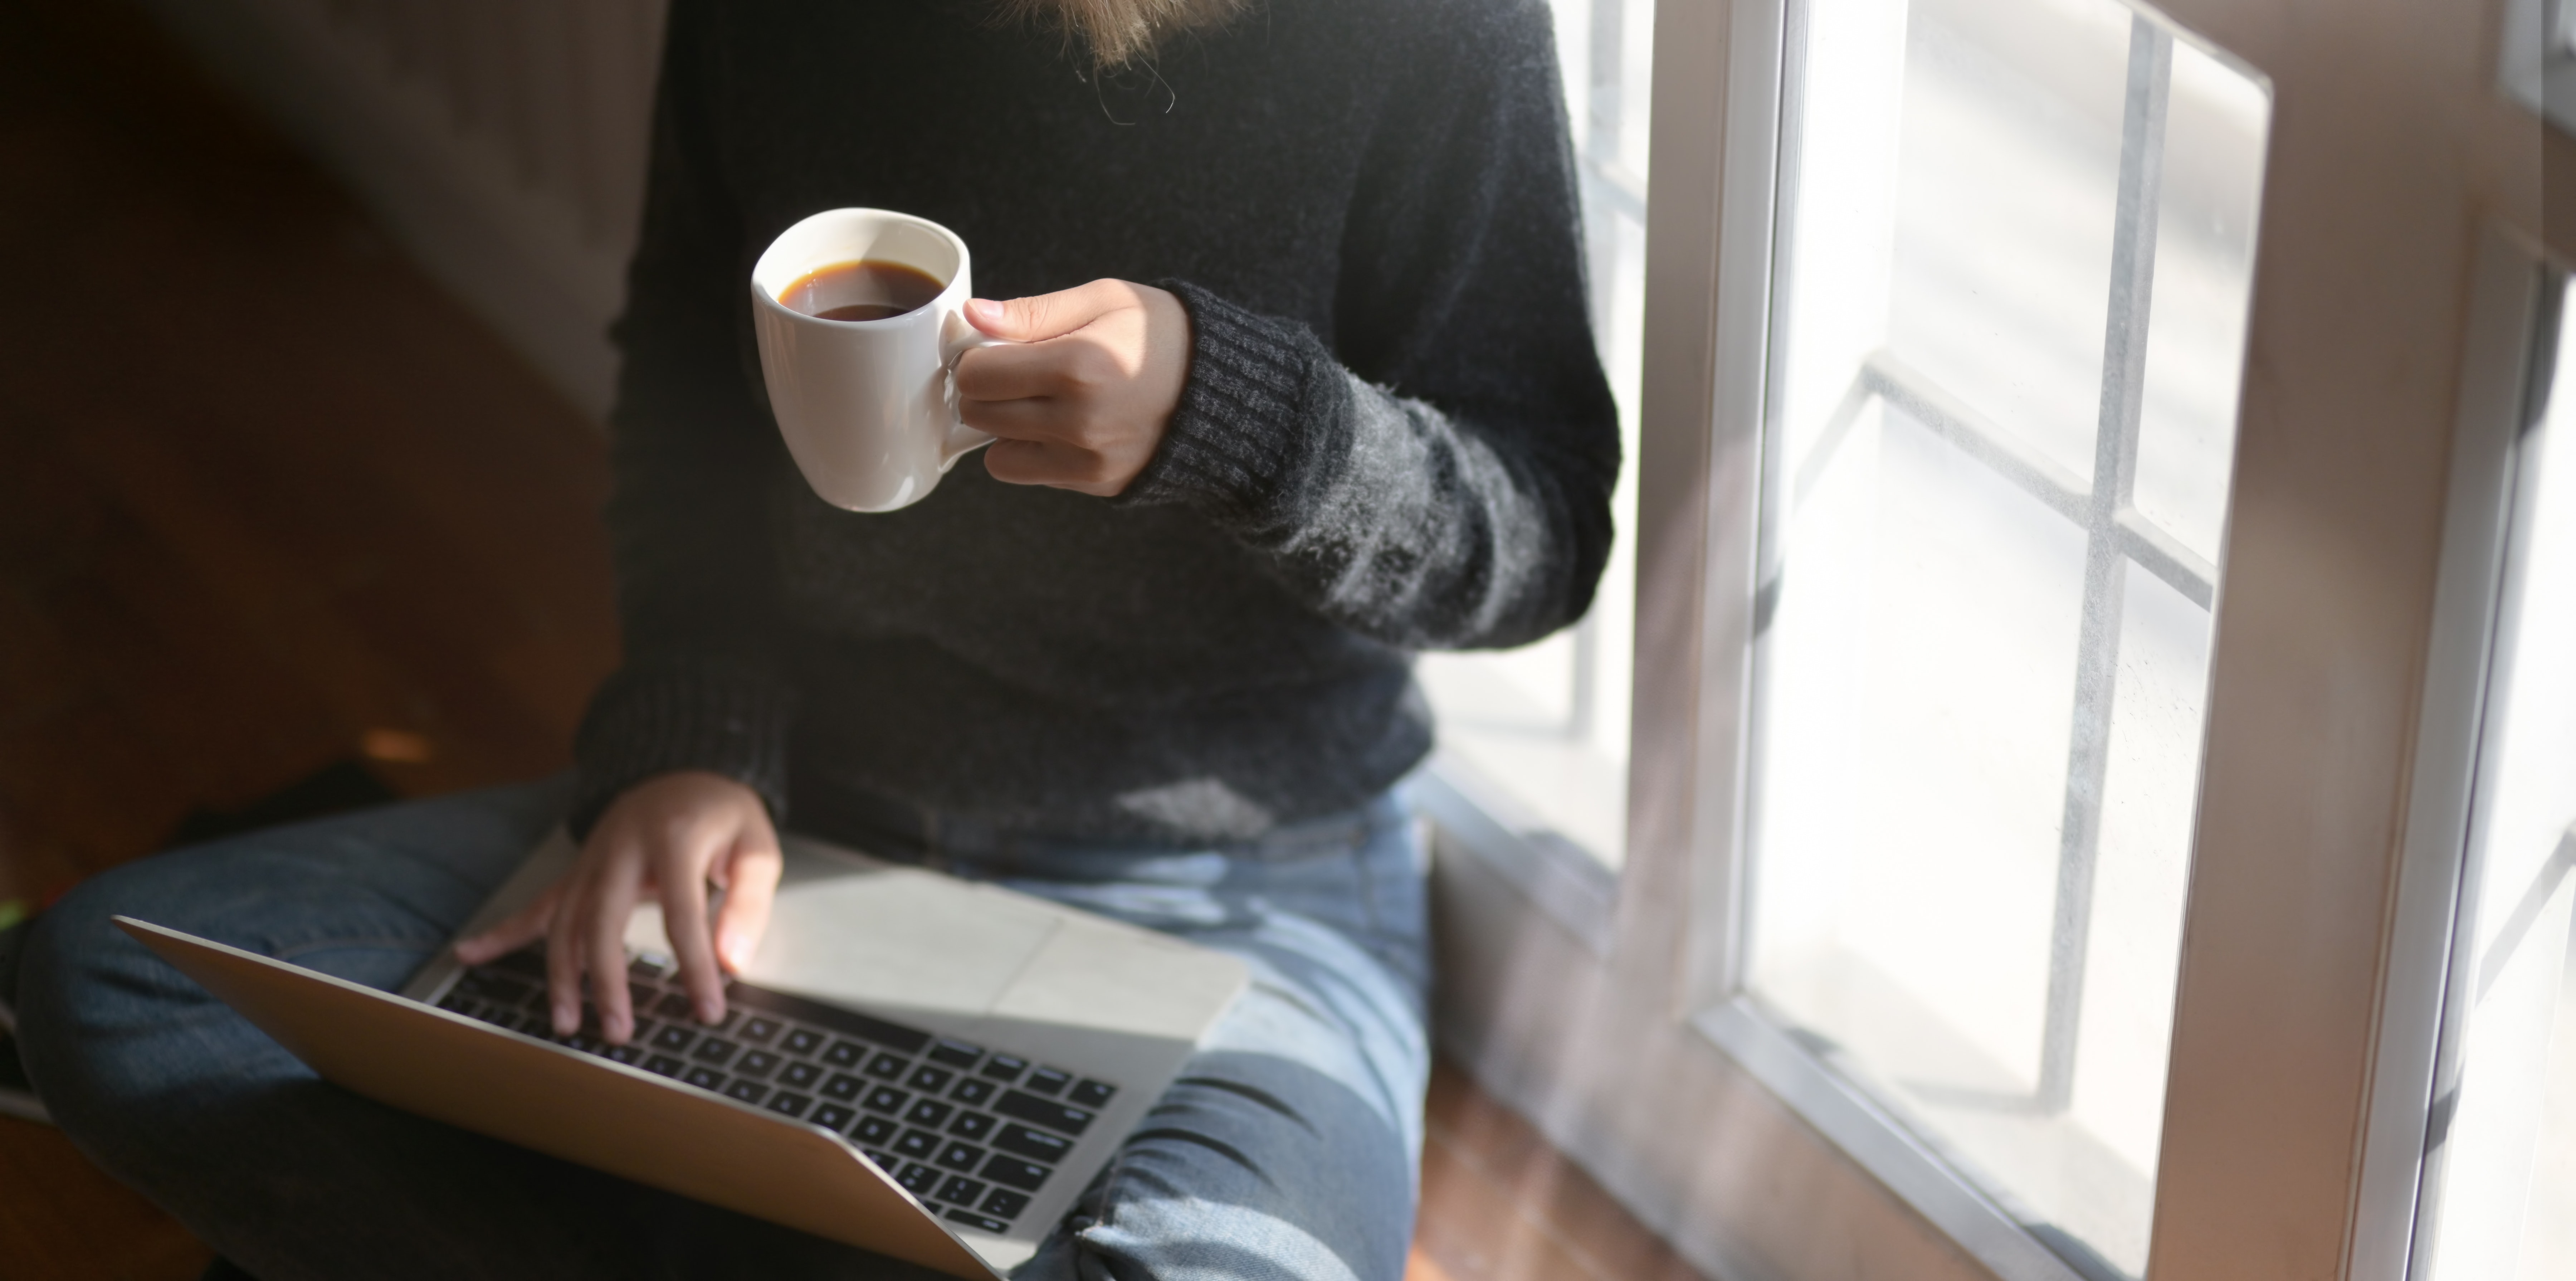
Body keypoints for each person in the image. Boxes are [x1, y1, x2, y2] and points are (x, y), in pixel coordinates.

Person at [6, 0, 1619, 1275]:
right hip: (799, 824)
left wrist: (1250, 418)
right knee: (113, 987)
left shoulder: (1432, 26)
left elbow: (1540, 537)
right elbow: (695, 391)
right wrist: (697, 736)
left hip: (1235, 886)